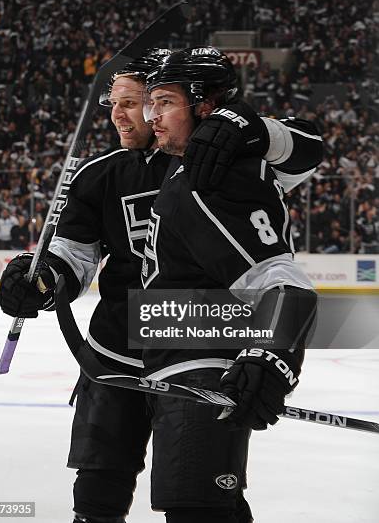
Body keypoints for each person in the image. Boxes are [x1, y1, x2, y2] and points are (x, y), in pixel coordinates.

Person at [0, 47, 322, 523]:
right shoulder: (103, 172)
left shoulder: (216, 161)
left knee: (200, 498)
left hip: (192, 346)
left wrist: (247, 124)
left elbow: (305, 152)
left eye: (136, 102)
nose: (122, 115)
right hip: (114, 355)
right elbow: (73, 255)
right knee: (96, 496)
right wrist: (42, 278)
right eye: (116, 104)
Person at [139, 47, 318, 523]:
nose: (152, 116)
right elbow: (308, 146)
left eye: (164, 103)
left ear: (203, 105)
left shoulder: (204, 180)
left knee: (198, 511)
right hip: (183, 368)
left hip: (200, 372)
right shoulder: (195, 166)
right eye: (149, 104)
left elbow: (281, 282)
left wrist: (271, 354)